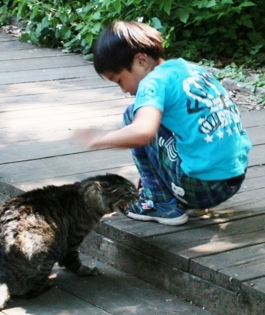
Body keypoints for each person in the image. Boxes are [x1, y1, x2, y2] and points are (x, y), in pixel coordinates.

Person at [75, 21, 251, 225]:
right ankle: (164, 191)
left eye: (119, 80)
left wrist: (99, 139)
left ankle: (159, 202)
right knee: (158, 118)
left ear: (141, 61)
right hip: (232, 178)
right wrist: (157, 173)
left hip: (201, 187)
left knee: (133, 116)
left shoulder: (153, 82)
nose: (122, 89)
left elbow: (142, 132)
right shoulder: (191, 69)